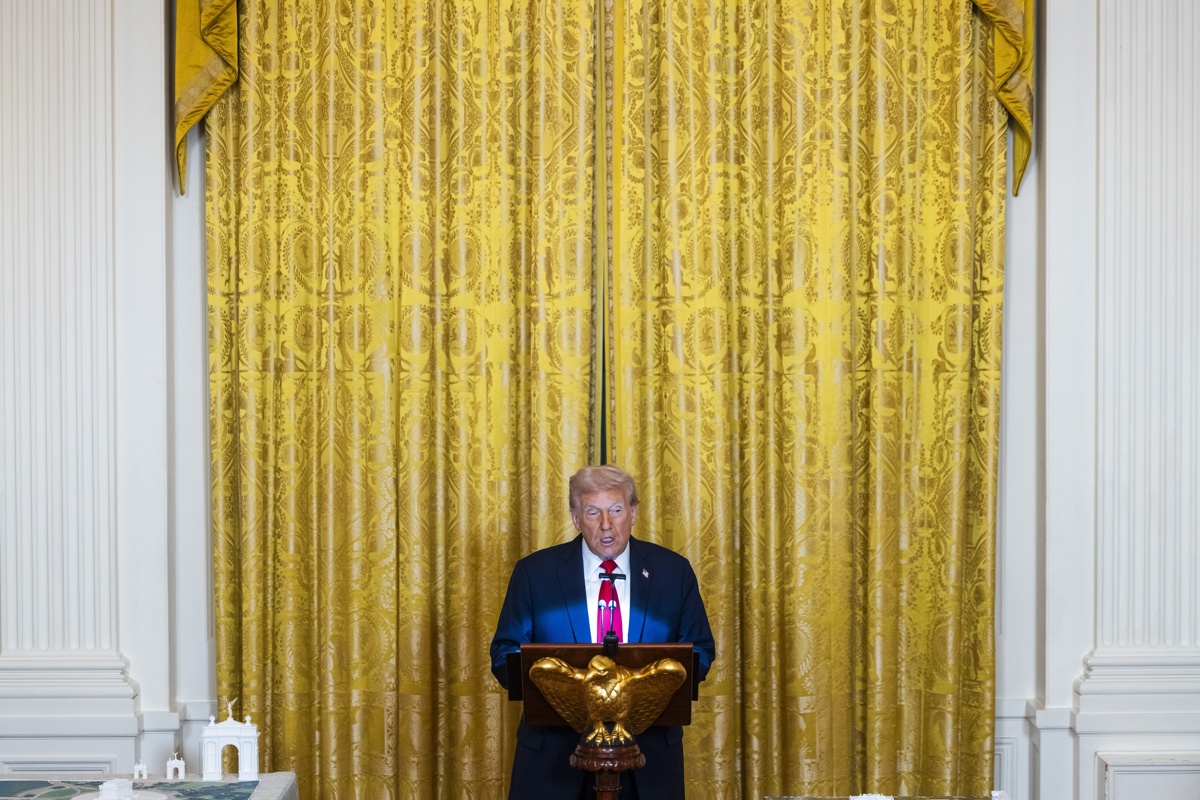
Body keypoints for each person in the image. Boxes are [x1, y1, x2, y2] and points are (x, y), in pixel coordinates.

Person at [490, 465, 716, 800]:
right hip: (553, 762)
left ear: (634, 512)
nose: (606, 524)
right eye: (593, 512)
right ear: (575, 518)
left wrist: (641, 687)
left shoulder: (673, 572)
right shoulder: (534, 573)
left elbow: (701, 651)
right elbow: (503, 655)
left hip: (648, 761)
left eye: (616, 510)